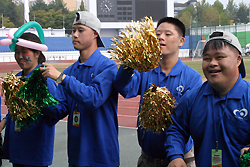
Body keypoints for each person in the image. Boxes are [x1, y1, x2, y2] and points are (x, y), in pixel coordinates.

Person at [114, 17, 202, 167]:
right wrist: (130, 61)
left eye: (168, 34)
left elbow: (190, 121)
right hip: (147, 159)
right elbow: (123, 88)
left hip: (180, 160)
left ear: (181, 41)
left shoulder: (192, 77)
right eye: (158, 33)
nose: (161, 37)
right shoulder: (145, 71)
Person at [40, 11, 119, 167]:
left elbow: (94, 98)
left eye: (81, 30)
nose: (75, 35)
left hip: (102, 157)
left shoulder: (108, 67)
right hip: (76, 157)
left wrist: (61, 78)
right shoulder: (69, 71)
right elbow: (59, 110)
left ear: (95, 34)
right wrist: (38, 93)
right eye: (73, 30)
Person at [166, 31, 249, 167]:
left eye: (220, 57)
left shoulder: (248, 97)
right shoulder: (192, 98)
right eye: (207, 58)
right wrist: (175, 155)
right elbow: (176, 128)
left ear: (238, 60)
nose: (212, 63)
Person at [0, 32, 58, 167]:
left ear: (37, 53)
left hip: (35, 152)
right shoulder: (16, 79)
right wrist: (5, 120)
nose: (20, 56)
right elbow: (14, 109)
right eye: (17, 52)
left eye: (24, 52)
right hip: (17, 149)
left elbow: (55, 112)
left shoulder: (45, 80)